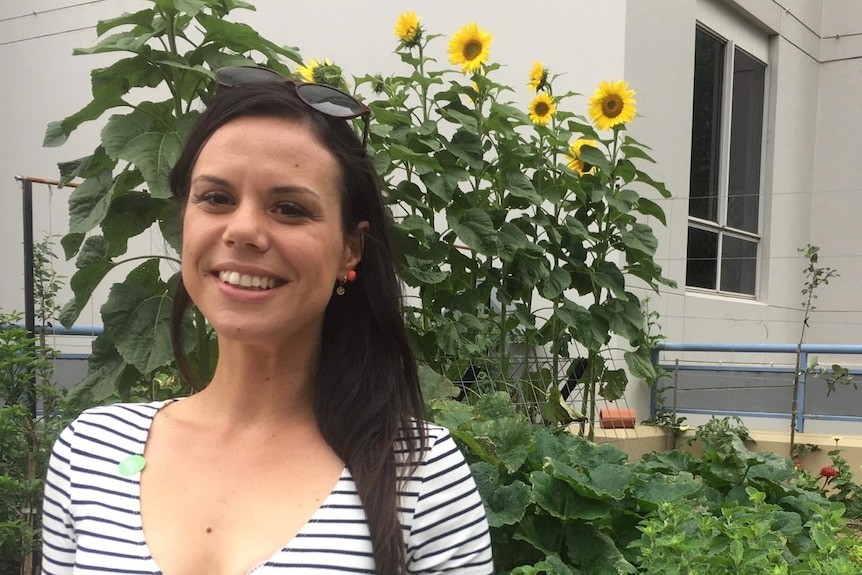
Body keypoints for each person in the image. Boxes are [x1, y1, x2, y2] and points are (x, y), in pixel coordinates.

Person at [41, 66, 494, 575]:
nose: (244, 230)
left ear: (351, 247)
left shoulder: (416, 472)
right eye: (215, 198)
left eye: (289, 208)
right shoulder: (92, 451)